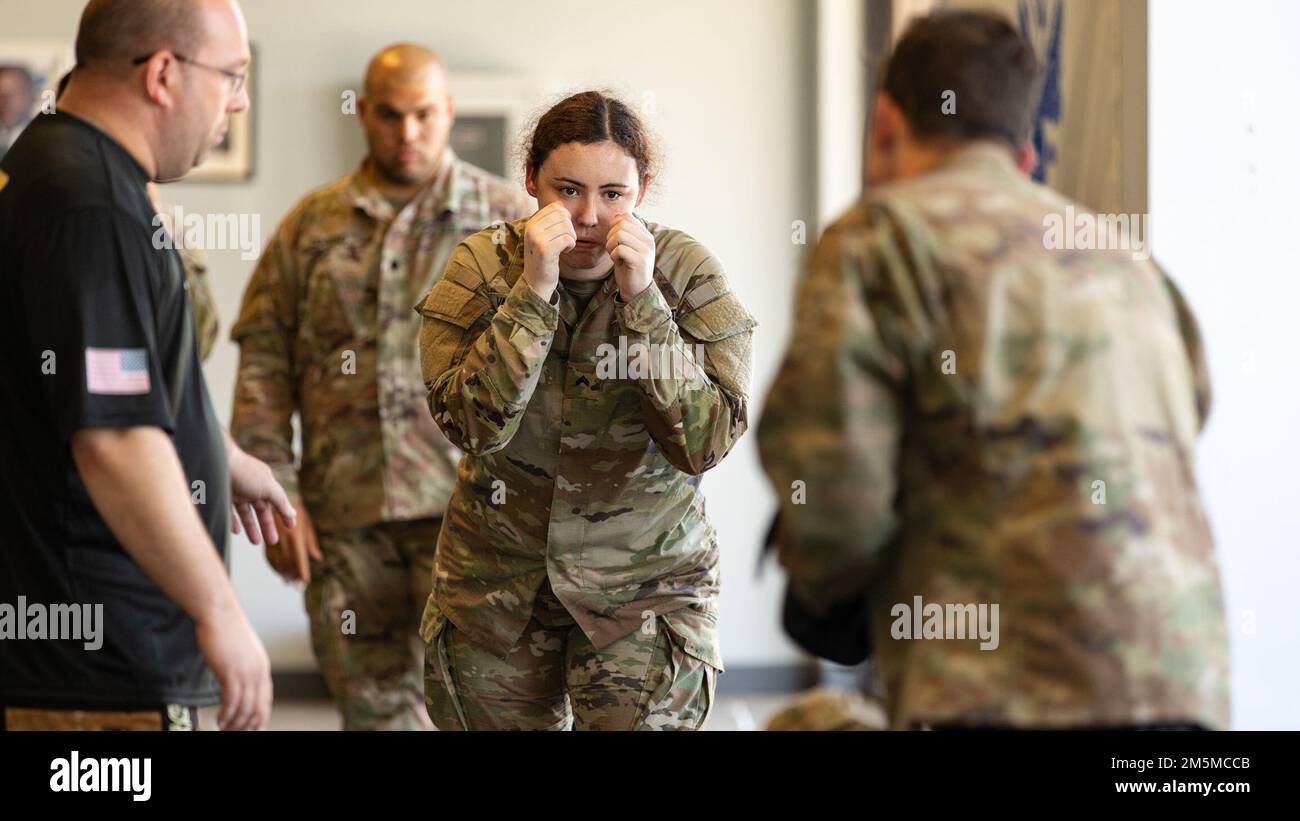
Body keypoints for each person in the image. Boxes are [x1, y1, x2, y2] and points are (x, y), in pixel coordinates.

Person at [757, 9, 1228, 730]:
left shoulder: (882, 236)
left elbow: (834, 489)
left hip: (1001, 692)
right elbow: (1188, 417)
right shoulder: (1128, 261)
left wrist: (824, 588)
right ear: (1024, 155)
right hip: (1183, 695)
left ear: (884, 125)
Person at [417, 90, 757, 730]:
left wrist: (644, 304)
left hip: (645, 588)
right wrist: (533, 292)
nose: (589, 217)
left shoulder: (685, 273)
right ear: (530, 182)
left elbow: (705, 442)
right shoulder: (482, 266)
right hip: (498, 584)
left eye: (613, 194)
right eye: (567, 190)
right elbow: (471, 426)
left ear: (642, 190)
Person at [0, 0, 294, 732]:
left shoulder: (57, 166)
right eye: (232, 75)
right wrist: (220, 611)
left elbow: (89, 381)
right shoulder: (89, 205)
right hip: (97, 671)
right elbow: (113, 437)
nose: (241, 99)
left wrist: (220, 454)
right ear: (164, 73)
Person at [229, 43, 531, 730]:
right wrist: (275, 493)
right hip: (346, 518)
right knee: (371, 711)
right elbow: (264, 364)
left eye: (425, 114)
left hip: (475, 513)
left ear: (449, 111)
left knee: (480, 706)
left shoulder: (507, 221)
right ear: (362, 113)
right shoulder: (311, 226)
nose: (408, 134)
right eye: (390, 115)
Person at [0, 65, 38, 158]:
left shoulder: (46, 140)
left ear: (32, 96)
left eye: (14, 93)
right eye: (1, 94)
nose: (6, 101)